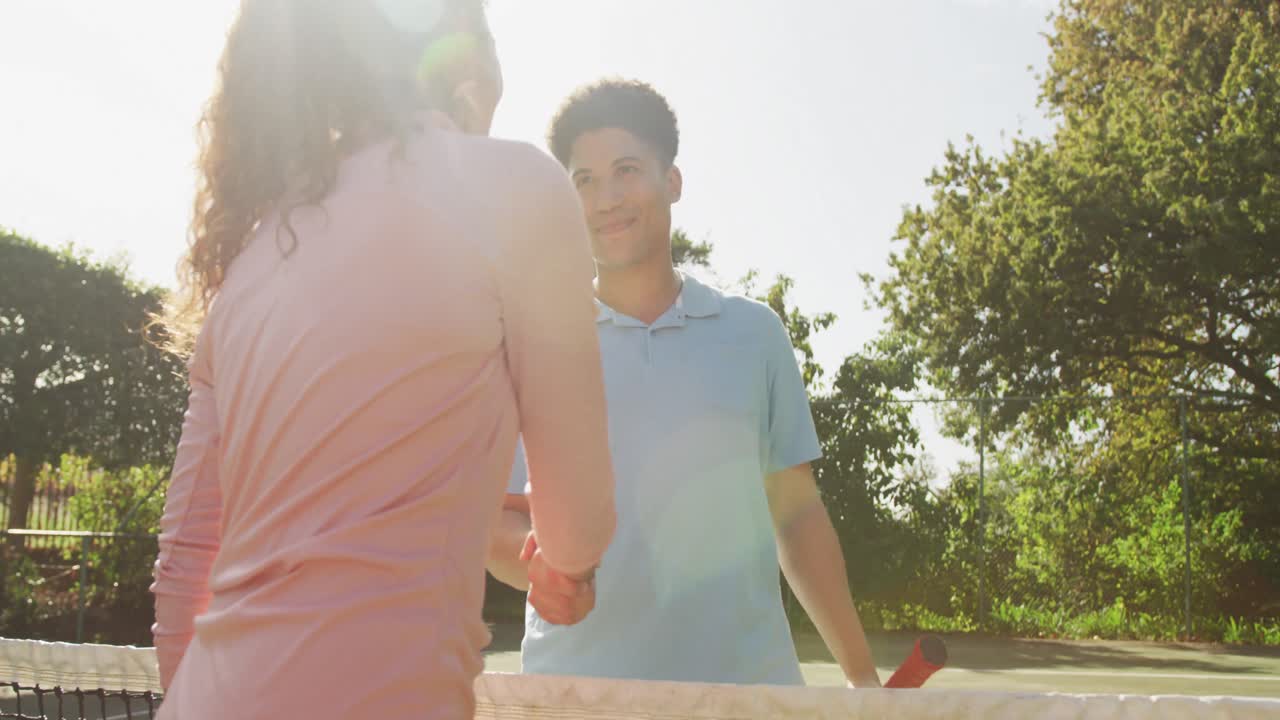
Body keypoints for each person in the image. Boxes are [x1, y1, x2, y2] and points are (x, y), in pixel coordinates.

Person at [150, 2, 615, 717]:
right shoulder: (520, 188)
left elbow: (184, 567)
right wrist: (568, 566)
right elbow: (578, 526)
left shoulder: (245, 264)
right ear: (458, 59)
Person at [487, 79, 881, 689]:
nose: (605, 198)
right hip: (577, 696)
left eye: (626, 170)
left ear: (671, 181)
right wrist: (540, 568)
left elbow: (798, 520)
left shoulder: (754, 334)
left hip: (750, 697)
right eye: (583, 180)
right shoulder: (532, 347)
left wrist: (862, 684)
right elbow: (500, 524)